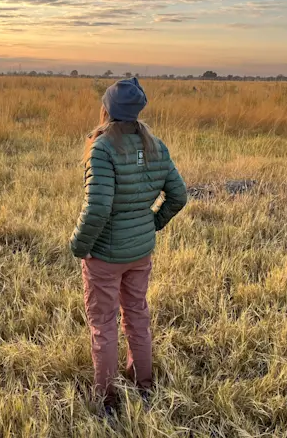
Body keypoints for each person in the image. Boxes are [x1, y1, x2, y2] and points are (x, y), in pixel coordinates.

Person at [70, 77, 188, 414]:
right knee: (137, 315)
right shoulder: (156, 146)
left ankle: (106, 399)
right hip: (140, 252)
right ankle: (143, 384)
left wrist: (80, 245)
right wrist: (150, 224)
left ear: (106, 110)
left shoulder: (102, 147)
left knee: (103, 324)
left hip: (105, 255)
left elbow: (97, 208)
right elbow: (178, 196)